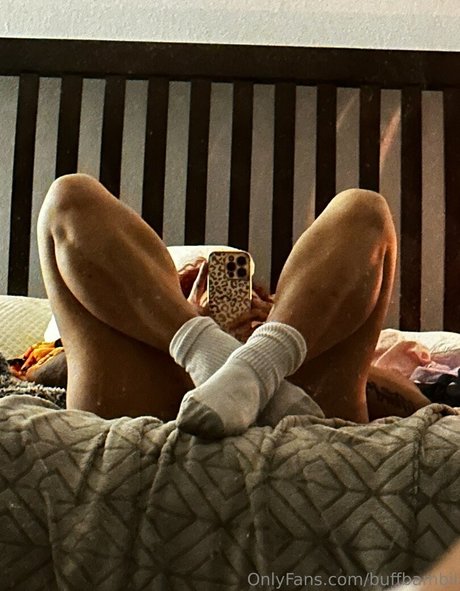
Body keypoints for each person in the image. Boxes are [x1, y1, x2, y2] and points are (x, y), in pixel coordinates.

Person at [36, 173, 429, 438]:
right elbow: (46, 371)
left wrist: (266, 347)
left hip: (302, 389)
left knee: (365, 209)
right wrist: (191, 327)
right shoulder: (138, 312)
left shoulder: (304, 324)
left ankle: (262, 361)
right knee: (69, 196)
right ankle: (205, 346)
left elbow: (417, 404)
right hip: (160, 384)